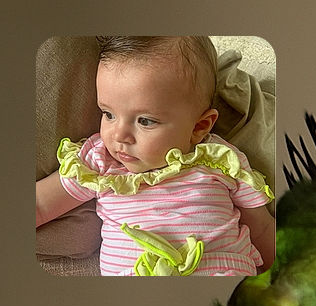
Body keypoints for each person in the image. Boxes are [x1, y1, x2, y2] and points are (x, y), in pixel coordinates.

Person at [35, 36, 275, 276]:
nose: (119, 135)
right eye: (108, 114)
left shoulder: (222, 160)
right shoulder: (98, 163)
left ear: (199, 127)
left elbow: (262, 229)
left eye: (145, 121)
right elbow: (41, 204)